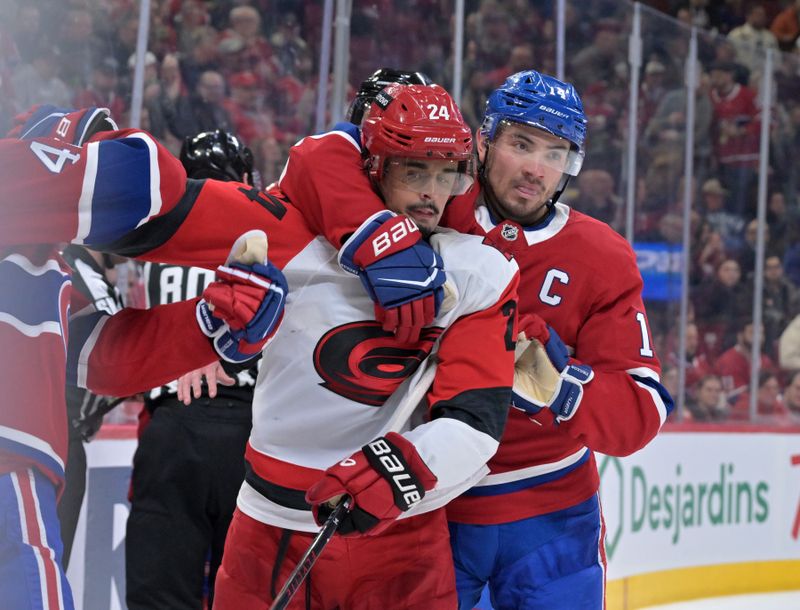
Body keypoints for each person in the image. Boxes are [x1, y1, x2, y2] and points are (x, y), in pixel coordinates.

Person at [271, 69, 674, 609]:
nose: (536, 168)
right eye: (521, 143)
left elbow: (640, 416)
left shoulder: (601, 256)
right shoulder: (436, 200)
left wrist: (561, 385)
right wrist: (377, 240)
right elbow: (322, 156)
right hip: (433, 506)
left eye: (556, 154)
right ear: (484, 142)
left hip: (552, 518)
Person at [212, 83, 520, 610]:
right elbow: (315, 157)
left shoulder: (477, 269)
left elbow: (476, 420)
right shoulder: (293, 232)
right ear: (374, 168)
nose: (432, 192)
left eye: (446, 174)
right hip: (267, 526)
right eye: (414, 172)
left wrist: (400, 467)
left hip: (400, 534)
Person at [0, 106, 287, 610]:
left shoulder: (43, 265)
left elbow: (101, 356)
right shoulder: (12, 175)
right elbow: (146, 173)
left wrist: (207, 323)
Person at [126, 130, 260, 610]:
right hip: (248, 426)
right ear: (243, 176)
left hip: (172, 424)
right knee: (249, 593)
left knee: (160, 593)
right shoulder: (268, 237)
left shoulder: (153, 239)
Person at [57, 245, 125, 568]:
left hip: (70, 440)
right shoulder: (70, 272)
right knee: (38, 572)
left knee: (51, 570)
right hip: (52, 440)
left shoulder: (100, 280)